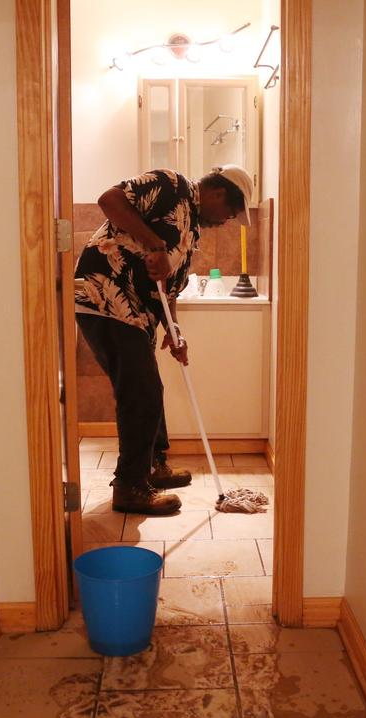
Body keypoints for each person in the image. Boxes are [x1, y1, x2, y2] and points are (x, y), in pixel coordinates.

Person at [75, 165, 253, 515]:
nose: (229, 220)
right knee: (141, 391)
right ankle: (130, 486)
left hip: (135, 312)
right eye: (231, 212)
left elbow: (167, 286)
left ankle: (153, 465)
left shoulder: (191, 231)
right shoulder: (171, 185)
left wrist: (174, 330)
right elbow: (109, 199)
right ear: (218, 194)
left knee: (148, 388)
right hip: (105, 298)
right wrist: (153, 243)